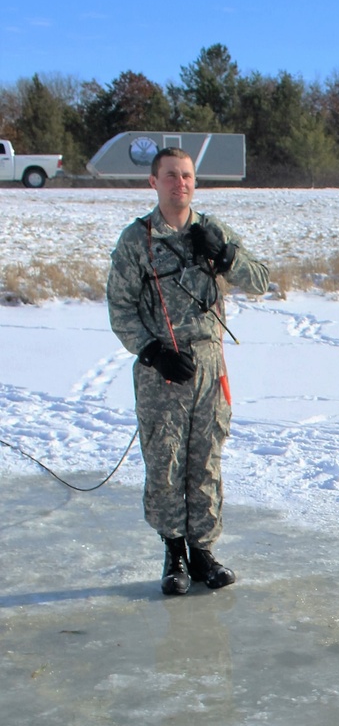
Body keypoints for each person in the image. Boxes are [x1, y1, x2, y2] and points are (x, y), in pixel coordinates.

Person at [107, 147, 269, 595]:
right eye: (171, 176)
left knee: (206, 461)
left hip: (209, 366)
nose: (181, 184)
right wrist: (152, 352)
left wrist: (227, 256)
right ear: (153, 183)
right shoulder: (136, 241)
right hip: (163, 369)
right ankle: (174, 552)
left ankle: (203, 552)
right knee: (165, 462)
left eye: (187, 176)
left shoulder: (210, 230)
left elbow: (261, 279)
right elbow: (120, 309)